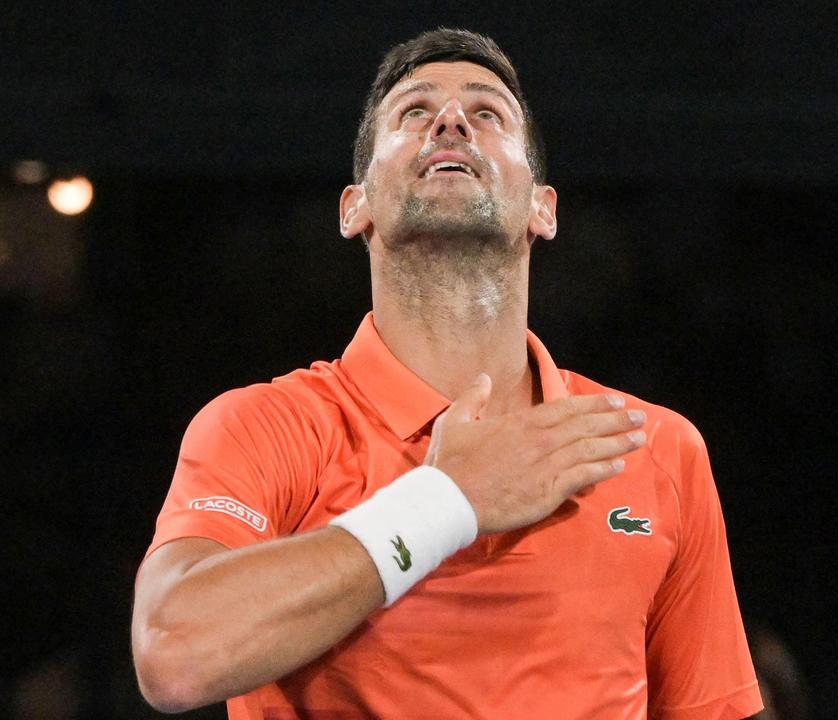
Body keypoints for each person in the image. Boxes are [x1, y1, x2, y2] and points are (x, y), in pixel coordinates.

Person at [131, 28, 762, 719]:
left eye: (488, 113)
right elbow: (174, 651)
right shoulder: (265, 428)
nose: (451, 121)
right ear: (355, 207)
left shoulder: (656, 449)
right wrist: (448, 502)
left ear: (542, 209)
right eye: (413, 113)